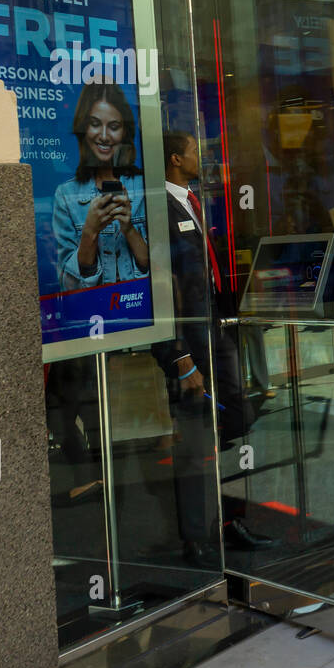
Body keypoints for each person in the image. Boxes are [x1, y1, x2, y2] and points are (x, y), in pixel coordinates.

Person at [152, 132, 271, 567]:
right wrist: (180, 356)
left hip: (215, 333)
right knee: (197, 440)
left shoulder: (191, 201)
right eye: (193, 152)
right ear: (174, 158)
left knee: (235, 423)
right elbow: (161, 288)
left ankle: (231, 519)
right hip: (191, 342)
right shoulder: (159, 208)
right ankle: (198, 536)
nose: (201, 157)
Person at [52, 82, 149, 290]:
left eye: (114, 127)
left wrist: (129, 229)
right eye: (95, 123)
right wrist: (89, 232)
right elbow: (68, 286)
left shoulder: (145, 187)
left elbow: (160, 268)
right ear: (84, 127)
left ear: (124, 132)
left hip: (138, 305)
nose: (104, 136)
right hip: (93, 311)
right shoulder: (66, 195)